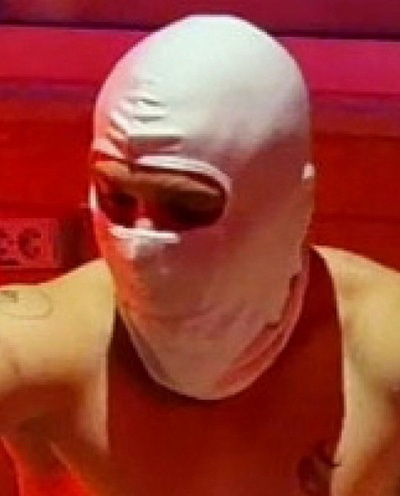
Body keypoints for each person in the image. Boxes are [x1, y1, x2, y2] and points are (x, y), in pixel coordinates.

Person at [1, 15, 400, 496]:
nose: (139, 244)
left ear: (287, 207)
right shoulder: (43, 345)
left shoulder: (382, 346)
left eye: (188, 208)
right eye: (116, 199)